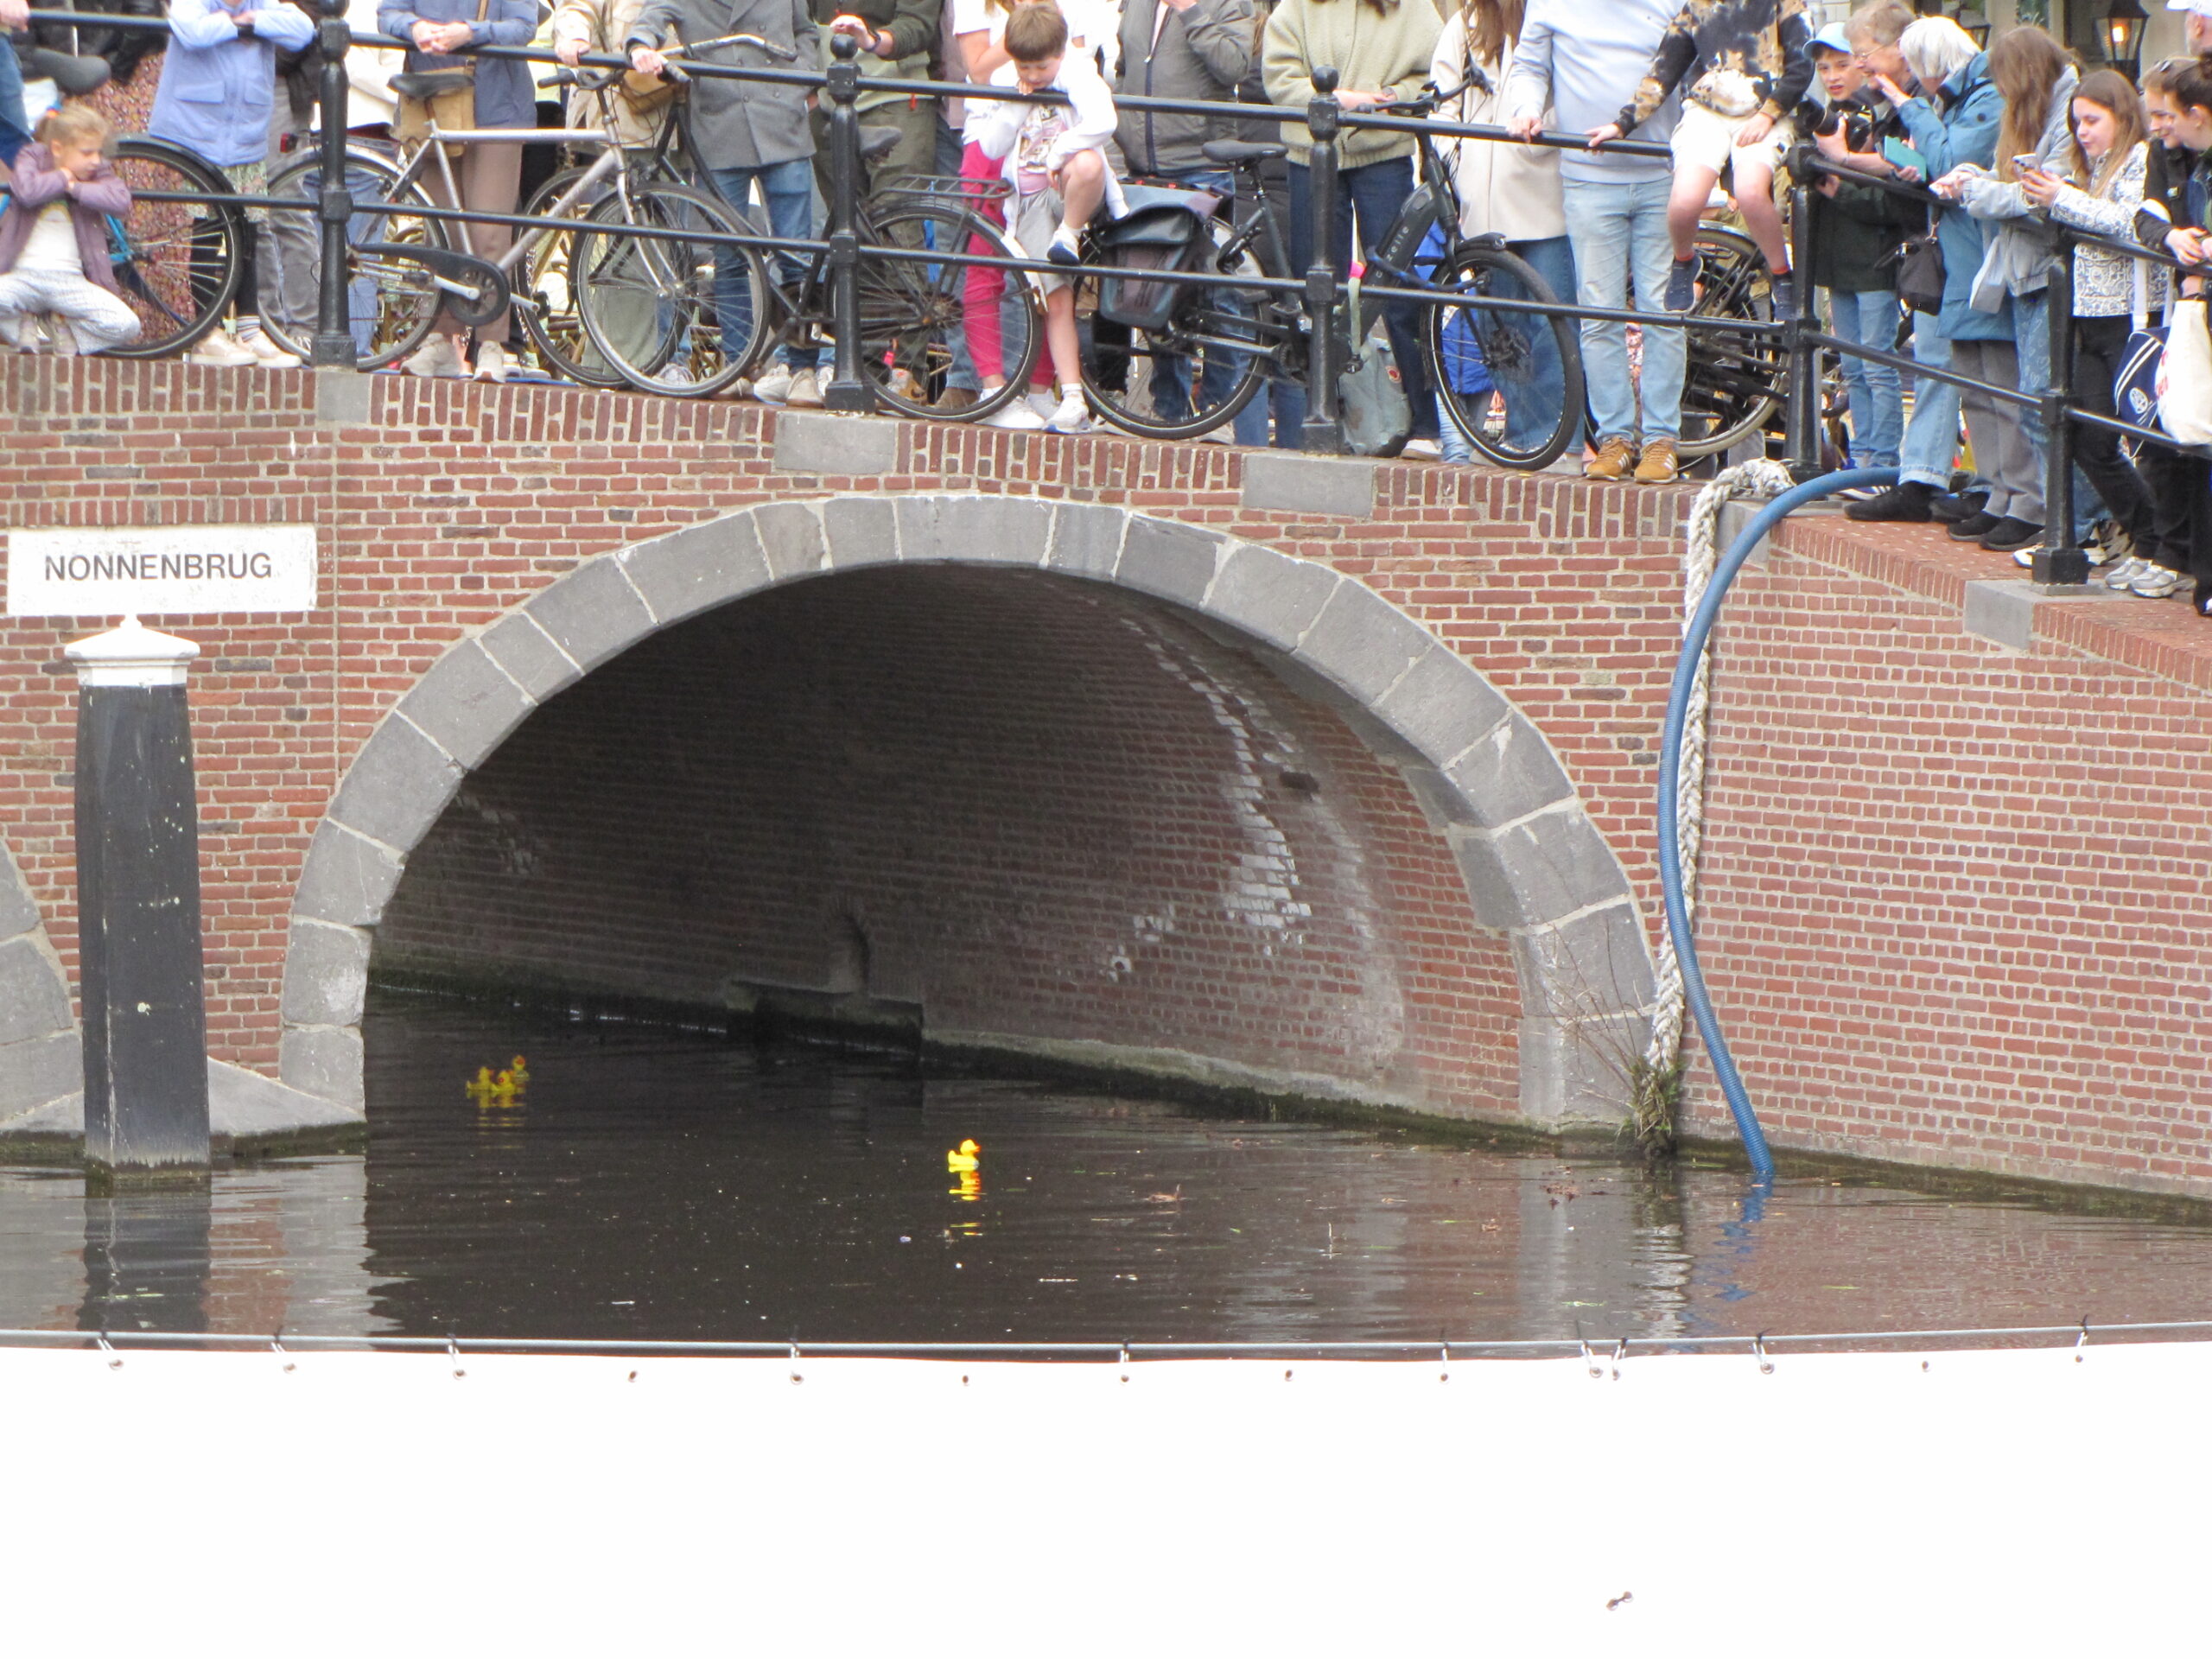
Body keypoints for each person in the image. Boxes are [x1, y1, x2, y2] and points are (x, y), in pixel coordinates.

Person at [1504, 0, 1681, 482]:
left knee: (1661, 310)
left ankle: (1662, 440)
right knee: (1598, 312)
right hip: (1588, 178)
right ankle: (1615, 439)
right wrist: (1524, 110)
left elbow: (1697, 64)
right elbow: (1529, 65)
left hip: (1661, 171)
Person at [1263, 0, 1440, 452]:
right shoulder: (1296, 9)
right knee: (1318, 291)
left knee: (1400, 289)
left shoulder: (1413, 10)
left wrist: (1383, 102)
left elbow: (1430, 76)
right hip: (1311, 156)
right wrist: (1334, 101)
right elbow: (1279, 76)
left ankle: (1425, 424)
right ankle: (1326, 419)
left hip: (1383, 155)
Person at [628, 0, 821, 405]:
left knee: (796, 253)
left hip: (780, 120)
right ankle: (738, 365)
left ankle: (803, 368)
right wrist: (640, 46)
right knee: (728, 254)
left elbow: (806, 31)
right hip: (720, 126)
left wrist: (799, 81)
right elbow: (652, 17)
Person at [1930, 22, 2073, 557]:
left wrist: (1977, 191)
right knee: (1986, 388)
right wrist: (1977, 178)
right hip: (2009, 264)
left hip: (2038, 267)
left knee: (2025, 394)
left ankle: (2031, 502)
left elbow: (2036, 194)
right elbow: (2002, 177)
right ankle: (2001, 491)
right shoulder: (2023, 111)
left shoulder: (2061, 108)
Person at [1847, 16, 1994, 526]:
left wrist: (1910, 110)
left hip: (1974, 255)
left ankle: (1987, 488)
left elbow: (1956, 157)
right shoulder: (1947, 100)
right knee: (1939, 361)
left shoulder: (1975, 98)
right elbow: (1939, 162)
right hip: (1945, 247)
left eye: (1915, 67)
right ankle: (1926, 476)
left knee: (1983, 373)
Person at [2019, 70, 2165, 582]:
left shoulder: (2141, 159)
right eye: (2076, 121)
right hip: (2087, 315)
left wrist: (2062, 197)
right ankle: (2148, 539)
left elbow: (2131, 223)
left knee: (2143, 439)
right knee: (2085, 434)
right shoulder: (2092, 166)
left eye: (2092, 120)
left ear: (2123, 118)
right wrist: (2047, 198)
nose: (2082, 131)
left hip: (2131, 315)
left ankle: (2162, 550)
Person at [1591, 0, 1811, 319]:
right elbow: (1664, 69)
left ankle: (1781, 275)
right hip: (1707, 110)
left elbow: (1802, 66)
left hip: (1767, 111)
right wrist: (1623, 123)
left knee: (1751, 193)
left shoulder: (1787, 5)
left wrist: (1769, 113)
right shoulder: (1698, 6)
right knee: (1684, 201)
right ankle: (1684, 260)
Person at [1427, 0, 1577, 464]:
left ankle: (1557, 442)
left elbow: (1575, 97)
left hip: (1543, 198)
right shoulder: (1466, 25)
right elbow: (1441, 103)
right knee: (1502, 334)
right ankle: (1523, 437)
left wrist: (1539, 137)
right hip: (1482, 206)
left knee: (1552, 329)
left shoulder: (1558, 16)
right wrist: (1456, 159)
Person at [969, 0, 1122, 432]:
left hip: (1072, 189)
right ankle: (1070, 397)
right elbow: (993, 147)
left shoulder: (1076, 70)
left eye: (1041, 67)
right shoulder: (1010, 78)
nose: (1034, 76)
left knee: (1088, 162)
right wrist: (1016, 106)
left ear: (1059, 52)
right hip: (1033, 200)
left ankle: (1070, 234)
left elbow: (1102, 120)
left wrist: (1059, 152)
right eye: (1026, 68)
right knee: (1057, 299)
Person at [148, 0, 316, 369]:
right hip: (198, 134)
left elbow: (302, 29)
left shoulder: (262, 5)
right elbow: (191, 30)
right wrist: (233, 24)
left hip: (246, 137)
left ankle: (250, 328)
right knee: (207, 231)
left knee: (250, 230)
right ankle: (207, 333)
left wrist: (253, 20)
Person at [1114, 0, 1255, 432]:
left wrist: (1192, 11)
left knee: (1220, 292)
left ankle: (1217, 411)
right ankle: (1168, 409)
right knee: (1156, 288)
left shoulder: (1229, 3)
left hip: (1201, 164)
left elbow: (1234, 66)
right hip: (1144, 168)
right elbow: (1124, 68)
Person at [380, 0, 539, 381]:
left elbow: (524, 27)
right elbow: (388, 13)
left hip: (496, 110)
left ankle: (492, 345)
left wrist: (470, 33)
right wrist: (414, 27)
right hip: (432, 103)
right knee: (440, 234)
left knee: (489, 233)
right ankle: (439, 339)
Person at [1800, 20, 1907, 472]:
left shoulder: (1886, 119)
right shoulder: (1827, 117)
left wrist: (1835, 186)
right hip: (1837, 264)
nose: (1832, 76)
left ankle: (1880, 461)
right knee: (1853, 367)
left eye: (1842, 64)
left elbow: (1894, 202)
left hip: (1875, 263)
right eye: (1824, 68)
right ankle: (1862, 456)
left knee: (1878, 367)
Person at [2130, 54, 2212, 613]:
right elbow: (2147, 212)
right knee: (2194, 439)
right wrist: (2172, 238)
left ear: (2197, 114)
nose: (2157, 128)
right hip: (2192, 309)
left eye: (2165, 116)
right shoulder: (2171, 157)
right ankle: (2201, 573)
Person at [0, 105, 141, 354]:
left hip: (70, 281)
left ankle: (59, 330)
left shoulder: (96, 170)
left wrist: (77, 189)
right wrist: (64, 176)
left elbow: (121, 202)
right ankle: (27, 324)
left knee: (127, 325)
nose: (96, 160)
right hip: (22, 277)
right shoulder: (32, 157)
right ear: (57, 148)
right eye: (87, 153)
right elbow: (27, 192)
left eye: (98, 152)